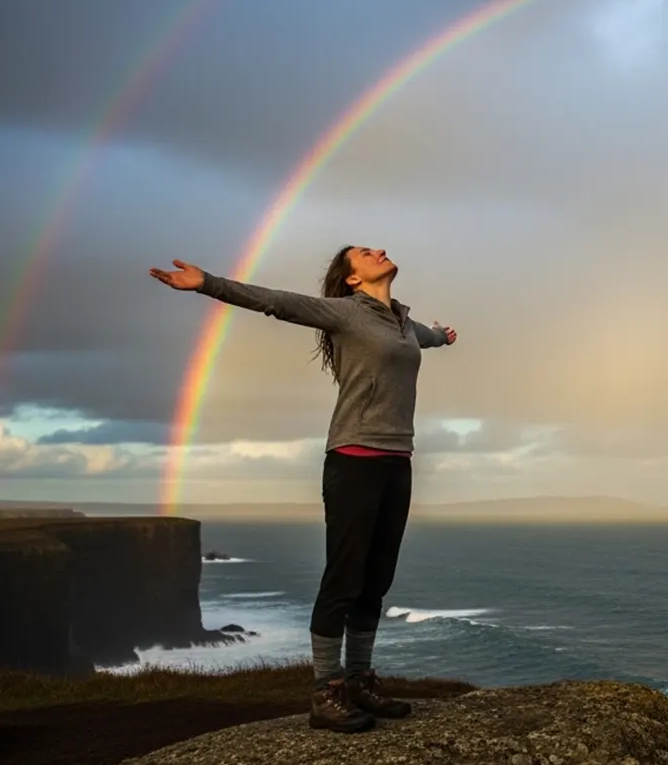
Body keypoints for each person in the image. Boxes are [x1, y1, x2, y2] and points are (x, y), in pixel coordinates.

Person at [149, 246, 457, 733]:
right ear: (352, 279)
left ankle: (359, 680)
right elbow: (275, 302)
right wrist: (207, 283)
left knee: (376, 579)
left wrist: (441, 335)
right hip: (354, 460)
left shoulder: (403, 322)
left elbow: (424, 337)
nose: (379, 251)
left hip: (398, 462)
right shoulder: (345, 313)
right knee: (344, 578)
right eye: (365, 253)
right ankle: (325, 691)